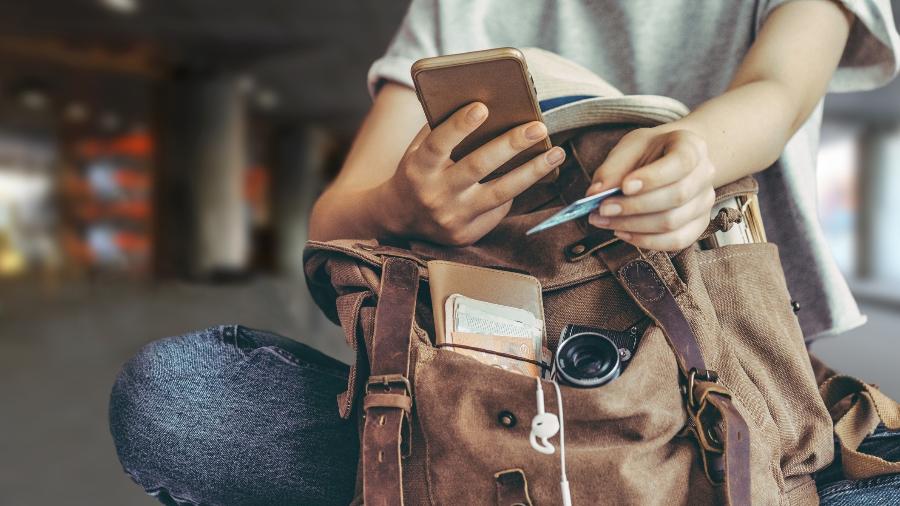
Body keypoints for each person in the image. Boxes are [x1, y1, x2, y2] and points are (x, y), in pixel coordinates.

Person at [110, 1, 900, 504]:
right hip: (481, 402)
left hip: (727, 408)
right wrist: (401, 206)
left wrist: (698, 152)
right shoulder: (459, 9)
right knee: (178, 401)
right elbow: (335, 224)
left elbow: (776, 95)